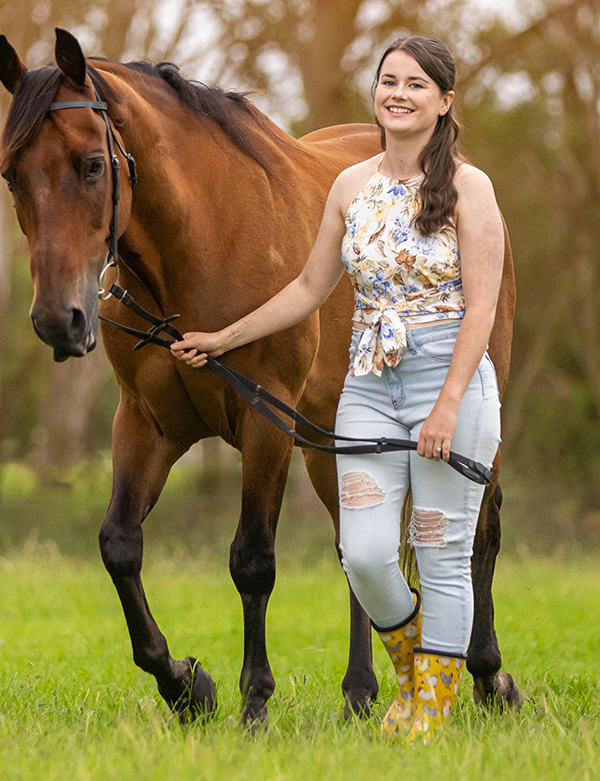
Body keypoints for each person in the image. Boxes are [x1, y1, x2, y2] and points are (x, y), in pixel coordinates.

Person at [171, 36, 505, 741]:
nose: (400, 93)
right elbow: (305, 288)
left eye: (417, 84)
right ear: (375, 94)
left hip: (452, 382)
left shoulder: (471, 188)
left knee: (440, 549)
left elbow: (482, 305)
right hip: (370, 385)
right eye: (389, 80)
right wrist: (223, 339)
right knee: (365, 553)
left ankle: (426, 712)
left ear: (444, 103)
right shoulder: (350, 186)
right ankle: (425, 671)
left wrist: (448, 404)